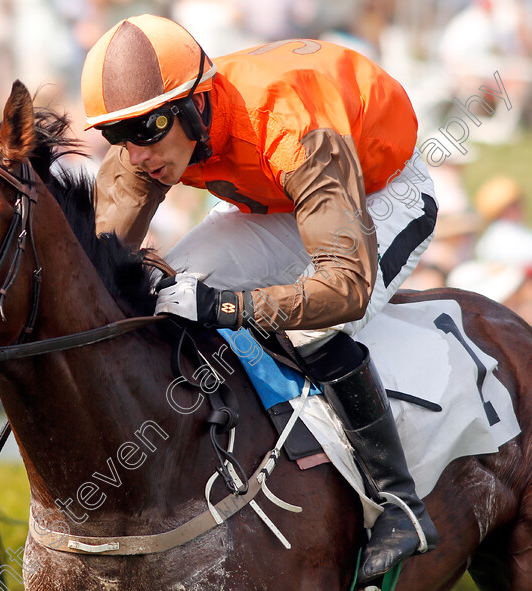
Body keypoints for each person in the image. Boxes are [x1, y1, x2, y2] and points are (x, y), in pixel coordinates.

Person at [80, 14, 438, 583]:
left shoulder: (292, 125)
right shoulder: (149, 137)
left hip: (378, 192)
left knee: (311, 325)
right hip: (271, 202)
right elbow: (96, 270)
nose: (136, 154)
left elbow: (342, 287)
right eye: (117, 137)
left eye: (146, 130)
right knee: (168, 293)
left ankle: (397, 503)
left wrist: (226, 307)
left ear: (195, 105)